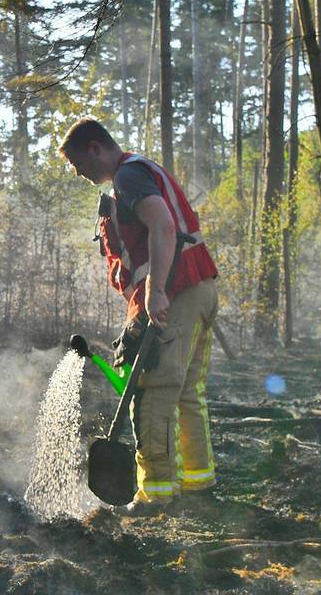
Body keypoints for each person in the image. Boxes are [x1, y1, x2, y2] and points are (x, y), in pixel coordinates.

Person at [59, 119, 219, 514]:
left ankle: (155, 495)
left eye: (78, 164)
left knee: (153, 391)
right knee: (186, 392)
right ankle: (197, 486)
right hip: (198, 287)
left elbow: (163, 226)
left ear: (95, 148)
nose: (79, 173)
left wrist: (156, 290)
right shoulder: (141, 170)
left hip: (176, 291)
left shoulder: (128, 176)